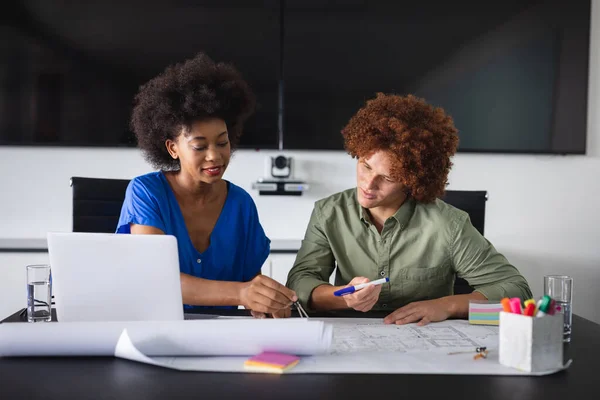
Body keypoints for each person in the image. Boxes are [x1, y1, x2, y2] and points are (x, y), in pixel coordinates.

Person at [286, 93, 532, 325]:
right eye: (366, 165)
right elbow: (298, 284)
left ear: (412, 180)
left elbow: (517, 292)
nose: (368, 184)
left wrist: (446, 306)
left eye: (388, 178)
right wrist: (342, 296)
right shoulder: (329, 212)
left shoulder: (449, 225)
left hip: (426, 343)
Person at [116, 53, 296, 317]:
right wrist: (242, 293)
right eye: (199, 146)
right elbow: (155, 278)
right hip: (152, 327)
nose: (215, 156)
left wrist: (266, 303)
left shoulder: (241, 204)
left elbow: (251, 286)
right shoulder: (146, 193)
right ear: (172, 148)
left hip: (220, 332)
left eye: (222, 143)